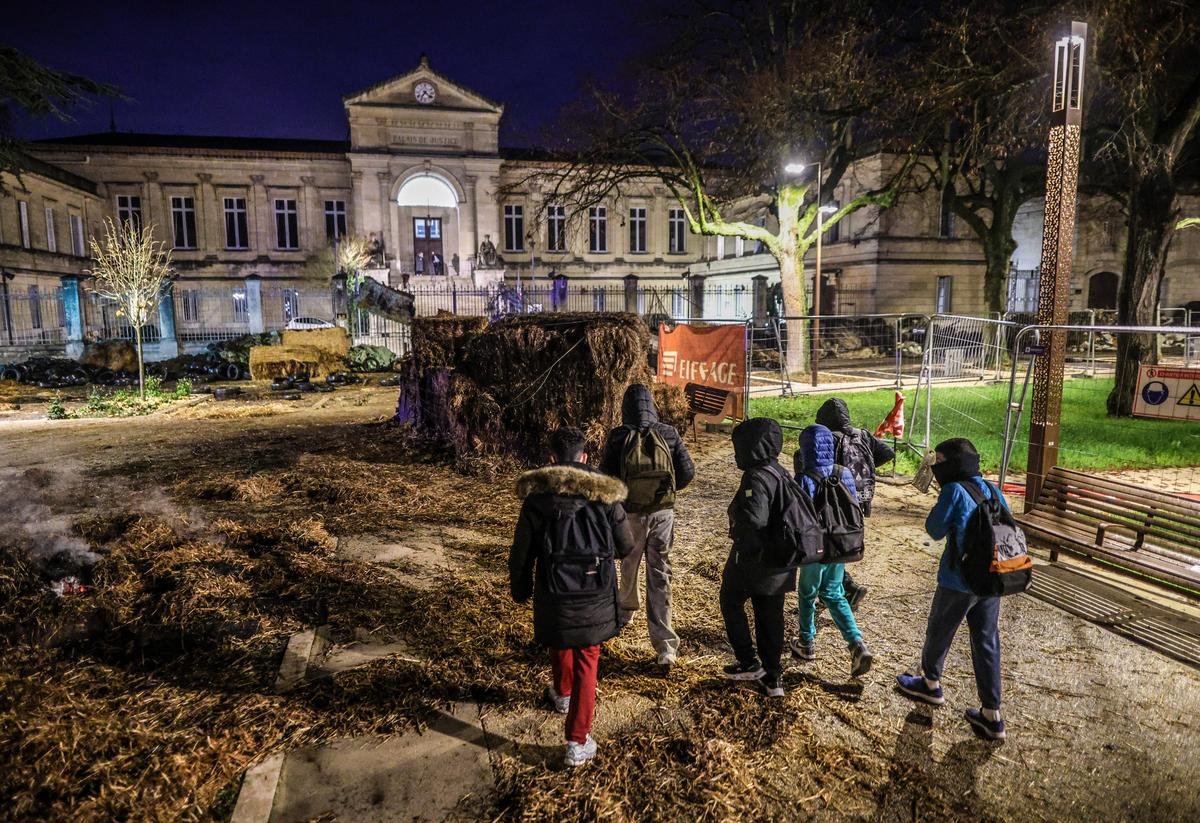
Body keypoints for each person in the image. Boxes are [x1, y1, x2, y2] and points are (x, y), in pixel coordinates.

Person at [509, 426, 635, 767]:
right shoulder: (605, 494)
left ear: (551, 459)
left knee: (560, 636)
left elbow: (521, 552)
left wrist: (519, 587)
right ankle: (577, 741)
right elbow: (625, 546)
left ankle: (562, 694)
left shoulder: (537, 498)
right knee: (587, 658)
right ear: (584, 457)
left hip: (553, 589)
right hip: (595, 591)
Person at [895, 438, 1009, 740]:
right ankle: (991, 714)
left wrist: (941, 502)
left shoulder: (953, 490)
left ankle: (930, 683)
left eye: (941, 461)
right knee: (986, 640)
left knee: (939, 632)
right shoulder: (993, 489)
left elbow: (934, 529)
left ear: (952, 465)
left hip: (958, 580)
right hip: (990, 579)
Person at [600, 384, 694, 670]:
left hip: (630, 514)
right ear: (652, 405)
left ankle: (625, 615)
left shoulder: (618, 436)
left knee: (629, 564)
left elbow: (606, 478)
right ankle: (665, 646)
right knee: (660, 571)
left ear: (625, 407)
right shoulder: (669, 433)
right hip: (663, 514)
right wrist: (667, 496)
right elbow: (688, 472)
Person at [790, 424, 874, 677]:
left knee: (808, 593)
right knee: (834, 593)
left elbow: (799, 515)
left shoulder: (804, 477)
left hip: (814, 547)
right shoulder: (843, 472)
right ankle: (856, 643)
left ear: (805, 449)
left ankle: (806, 642)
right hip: (840, 544)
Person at [796, 397, 896, 609]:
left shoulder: (827, 438)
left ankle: (846, 588)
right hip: (861, 496)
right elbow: (888, 452)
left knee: (829, 543)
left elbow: (810, 464)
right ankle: (836, 591)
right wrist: (867, 467)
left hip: (836, 496)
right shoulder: (863, 434)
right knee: (843, 540)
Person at [720, 417, 795, 698]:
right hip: (782, 558)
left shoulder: (755, 476)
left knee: (730, 600)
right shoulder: (780, 471)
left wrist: (742, 543)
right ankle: (773, 679)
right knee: (770, 616)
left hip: (757, 559)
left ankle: (748, 661)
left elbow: (755, 518)